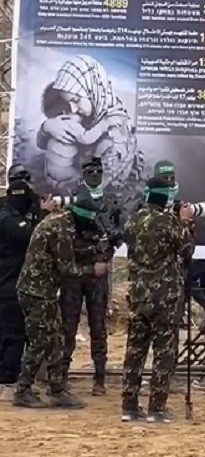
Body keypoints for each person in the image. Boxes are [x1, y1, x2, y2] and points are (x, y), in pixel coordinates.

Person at [10, 196, 108, 409]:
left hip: (42, 291)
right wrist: (93, 270)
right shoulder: (61, 230)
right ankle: (23, 390)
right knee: (40, 340)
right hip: (36, 291)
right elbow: (67, 269)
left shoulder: (62, 223)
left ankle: (57, 390)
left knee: (55, 338)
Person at [122, 176, 195, 422]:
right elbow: (187, 250)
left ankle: (129, 406)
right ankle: (157, 408)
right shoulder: (168, 222)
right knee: (164, 352)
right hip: (164, 297)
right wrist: (186, 222)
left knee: (135, 351)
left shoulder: (133, 221)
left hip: (138, 295)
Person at [60, 156, 119, 395]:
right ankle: (61, 377)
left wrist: (103, 257)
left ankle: (100, 379)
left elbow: (116, 236)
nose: (95, 174)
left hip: (98, 272)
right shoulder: (73, 199)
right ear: (83, 173)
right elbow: (65, 234)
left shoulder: (111, 202)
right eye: (90, 171)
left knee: (98, 326)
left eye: (98, 171)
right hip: (75, 272)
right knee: (68, 325)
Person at [0, 170, 48, 387]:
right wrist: (42, 213)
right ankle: (8, 373)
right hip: (9, 283)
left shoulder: (7, 213)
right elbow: (32, 236)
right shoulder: (9, 220)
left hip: (10, 281)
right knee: (13, 331)